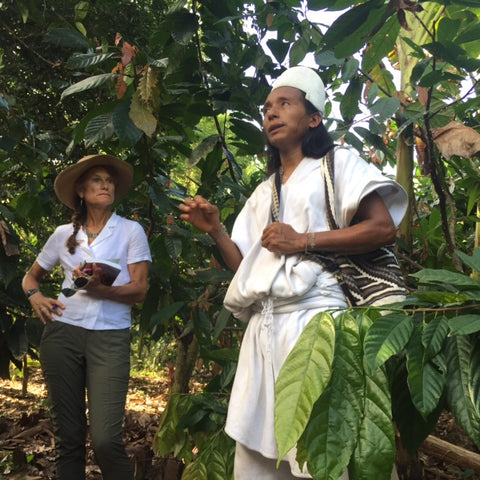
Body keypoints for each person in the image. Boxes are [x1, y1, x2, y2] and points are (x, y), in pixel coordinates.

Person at [179, 66, 408, 479]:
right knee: (261, 455)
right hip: (265, 331)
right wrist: (215, 230)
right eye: (268, 107)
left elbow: (382, 228)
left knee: (325, 448)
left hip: (318, 325)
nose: (271, 113)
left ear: (313, 118)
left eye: (285, 103)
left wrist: (302, 240)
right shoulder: (266, 190)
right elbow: (247, 268)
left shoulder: (337, 164)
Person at [22, 154, 152, 480]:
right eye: (97, 179)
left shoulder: (131, 231)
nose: (105, 184)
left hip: (110, 336)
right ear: (81, 190)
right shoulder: (63, 234)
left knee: (107, 439)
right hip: (63, 333)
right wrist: (35, 296)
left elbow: (139, 290)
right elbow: (30, 278)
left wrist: (102, 290)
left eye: (109, 180)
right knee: (69, 438)